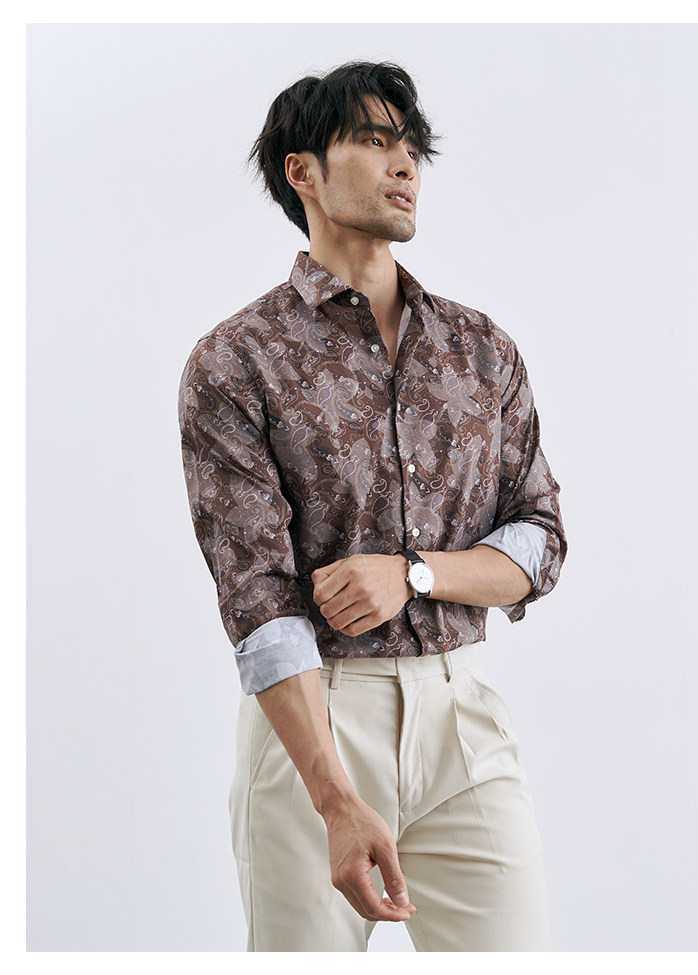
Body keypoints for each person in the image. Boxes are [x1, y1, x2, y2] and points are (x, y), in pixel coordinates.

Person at [177, 60, 567, 952]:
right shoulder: (236, 361)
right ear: (303, 172)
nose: (404, 164)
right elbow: (258, 601)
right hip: (315, 723)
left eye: (412, 147)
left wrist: (414, 574)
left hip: (464, 716)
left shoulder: (481, 350)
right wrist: (332, 795)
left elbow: (541, 538)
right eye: (373, 140)